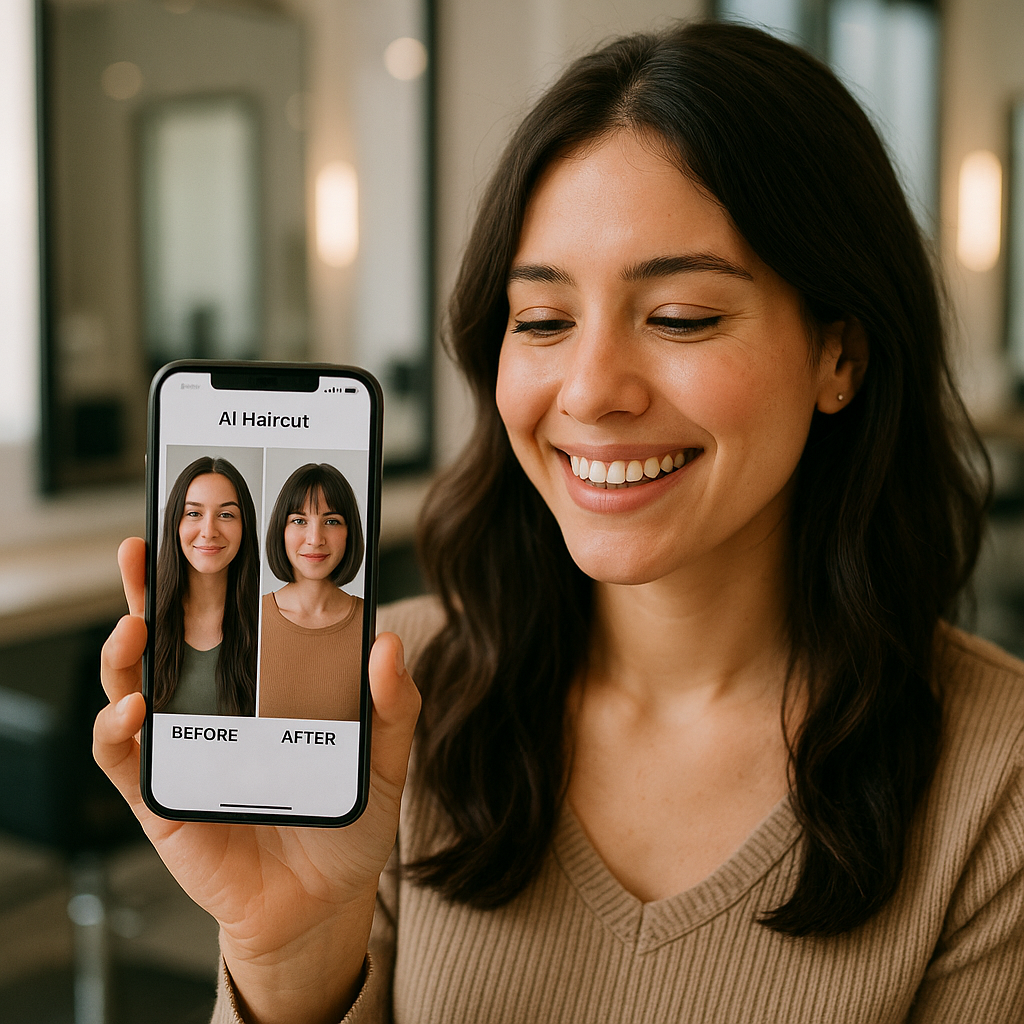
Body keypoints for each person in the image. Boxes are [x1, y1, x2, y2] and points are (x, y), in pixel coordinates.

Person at [95, 21, 1024, 1024]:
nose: (588, 390)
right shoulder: (395, 687)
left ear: (839, 354)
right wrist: (291, 960)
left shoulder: (997, 785)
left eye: (679, 316)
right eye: (540, 321)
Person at [257, 463, 366, 720]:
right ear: (280, 531)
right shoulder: (247, 618)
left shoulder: (371, 625)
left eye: (331, 521)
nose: (315, 538)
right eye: (299, 521)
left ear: (350, 533)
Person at [154, 456, 259, 717]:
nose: (208, 530)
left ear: (244, 526)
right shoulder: (146, 619)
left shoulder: (272, 620)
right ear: (174, 524)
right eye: (193, 514)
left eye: (226, 514)